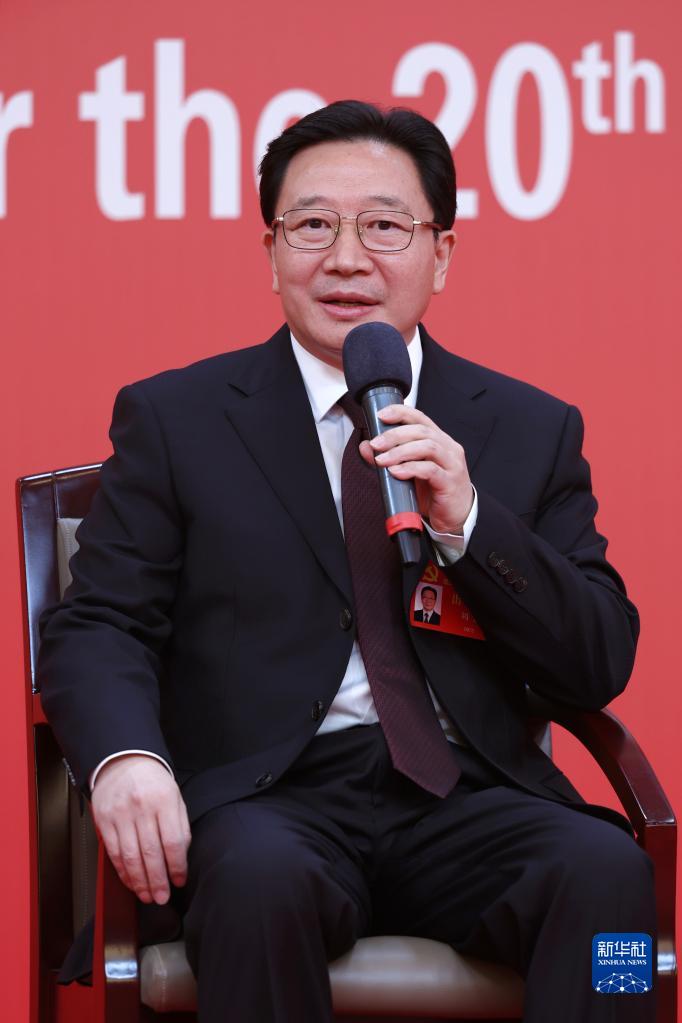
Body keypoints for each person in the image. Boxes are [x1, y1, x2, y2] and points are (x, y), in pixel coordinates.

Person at [38, 100, 656, 1023]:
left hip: (466, 798)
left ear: (441, 255)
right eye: (313, 225)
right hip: (268, 801)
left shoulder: (529, 427)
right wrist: (127, 757)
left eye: (384, 227)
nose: (347, 258)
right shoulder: (179, 419)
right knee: (257, 882)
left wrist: (471, 521)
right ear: (271, 253)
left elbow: (597, 657)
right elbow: (100, 623)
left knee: (611, 879)